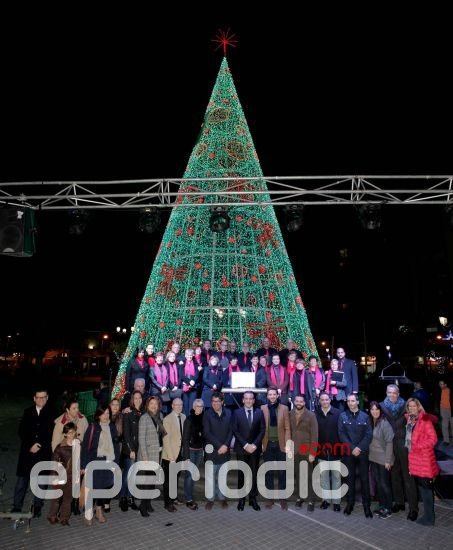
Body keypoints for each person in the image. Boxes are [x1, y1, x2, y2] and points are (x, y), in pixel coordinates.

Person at [12, 389, 54, 517]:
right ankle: (17, 506)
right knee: (22, 481)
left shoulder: (52, 412)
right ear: (34, 398)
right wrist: (30, 445)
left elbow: (52, 433)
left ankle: (37, 506)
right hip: (27, 452)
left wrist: (39, 445)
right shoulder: (27, 411)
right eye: (38, 397)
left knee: (41, 481)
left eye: (43, 397)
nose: (41, 399)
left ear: (47, 398)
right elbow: (21, 431)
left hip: (43, 453)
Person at [380, 384, 418, 520]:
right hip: (390, 445)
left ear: (398, 393)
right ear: (386, 393)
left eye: (394, 392)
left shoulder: (406, 405)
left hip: (404, 445)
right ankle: (399, 502)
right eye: (389, 392)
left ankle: (413, 508)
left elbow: (414, 421)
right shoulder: (381, 406)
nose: (392, 395)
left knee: (408, 477)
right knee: (394, 476)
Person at [81, 406, 120, 525]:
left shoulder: (112, 427)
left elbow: (116, 446)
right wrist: (84, 465)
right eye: (103, 413)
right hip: (95, 461)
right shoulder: (93, 427)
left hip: (109, 461)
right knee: (94, 487)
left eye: (107, 413)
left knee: (104, 487)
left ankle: (98, 510)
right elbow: (85, 447)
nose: (105, 416)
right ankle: (88, 513)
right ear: (98, 415)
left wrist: (116, 463)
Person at [405, 398, 440, 526]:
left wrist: (418, 446)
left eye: (414, 406)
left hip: (424, 460)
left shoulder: (425, 420)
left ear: (419, 407)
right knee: (422, 489)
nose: (412, 408)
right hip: (415, 461)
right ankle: (427, 515)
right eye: (409, 406)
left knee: (426, 491)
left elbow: (433, 439)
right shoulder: (410, 420)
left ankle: (429, 518)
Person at [338, 393, 373, 518]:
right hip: (349, 453)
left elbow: (369, 434)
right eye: (348, 401)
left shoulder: (365, 416)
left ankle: (366, 506)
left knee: (364, 480)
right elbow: (341, 434)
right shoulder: (342, 416)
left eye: (352, 401)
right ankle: (350, 504)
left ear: (357, 402)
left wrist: (359, 448)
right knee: (350, 479)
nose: (350, 403)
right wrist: (352, 448)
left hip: (362, 452)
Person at [232, 391, 266, 511]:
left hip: (254, 450)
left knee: (253, 474)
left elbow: (262, 429)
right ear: (243, 400)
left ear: (253, 400)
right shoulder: (237, 413)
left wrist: (255, 445)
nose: (248, 400)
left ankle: (252, 499)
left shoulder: (259, 412)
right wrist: (246, 445)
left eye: (250, 398)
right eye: (246, 398)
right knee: (241, 474)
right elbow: (235, 430)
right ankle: (241, 499)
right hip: (241, 448)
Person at [261, 387, 290, 510]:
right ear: (267, 396)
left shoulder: (284, 408)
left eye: (274, 394)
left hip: (281, 444)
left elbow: (287, 428)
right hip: (267, 444)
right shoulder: (263, 408)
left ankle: (283, 498)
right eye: (270, 394)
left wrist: (287, 444)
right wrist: (261, 443)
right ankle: (270, 498)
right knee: (269, 472)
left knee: (282, 472)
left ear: (277, 395)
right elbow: (260, 427)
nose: (272, 396)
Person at [203, 392, 233, 510]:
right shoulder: (207, 414)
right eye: (213, 401)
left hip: (225, 451)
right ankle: (210, 499)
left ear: (222, 402)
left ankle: (222, 498)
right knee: (210, 477)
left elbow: (231, 431)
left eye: (217, 401)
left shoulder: (229, 413)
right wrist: (220, 446)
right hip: (212, 451)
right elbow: (207, 433)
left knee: (222, 476)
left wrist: (225, 445)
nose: (215, 404)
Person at [137, 396, 166, 517]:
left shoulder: (160, 416)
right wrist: (145, 457)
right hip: (147, 455)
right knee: (147, 482)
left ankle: (148, 503)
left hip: (157, 453)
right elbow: (141, 439)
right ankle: (142, 506)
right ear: (147, 405)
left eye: (156, 404)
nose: (154, 406)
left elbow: (161, 435)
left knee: (152, 481)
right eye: (151, 404)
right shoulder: (144, 418)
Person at [289, 394, 318, 511]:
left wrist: (313, 453)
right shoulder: (289, 414)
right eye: (297, 401)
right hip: (294, 450)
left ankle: (311, 500)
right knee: (298, 475)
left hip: (307, 450)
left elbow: (315, 435)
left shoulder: (311, 415)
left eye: (301, 401)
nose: (299, 403)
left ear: (304, 403)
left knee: (309, 476)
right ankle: (300, 498)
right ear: (294, 402)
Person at [47, 422, 78, 525]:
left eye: (73, 432)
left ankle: (64, 517)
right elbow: (54, 463)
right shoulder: (60, 447)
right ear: (65, 434)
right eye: (69, 433)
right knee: (56, 498)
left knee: (68, 498)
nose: (71, 434)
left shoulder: (78, 445)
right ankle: (52, 515)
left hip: (72, 476)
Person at [315, 392, 342, 511]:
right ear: (319, 401)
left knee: (336, 477)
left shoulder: (338, 413)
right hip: (321, 450)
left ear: (330, 400)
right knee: (324, 477)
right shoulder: (315, 414)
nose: (325, 402)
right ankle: (325, 500)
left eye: (327, 399)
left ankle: (336, 502)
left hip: (336, 450)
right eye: (322, 400)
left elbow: (341, 432)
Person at [368, 401, 394, 518]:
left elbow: (389, 442)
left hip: (384, 458)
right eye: (372, 409)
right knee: (378, 483)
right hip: (373, 458)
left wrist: (388, 460)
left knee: (384, 484)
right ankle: (382, 506)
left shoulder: (384, 423)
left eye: (377, 409)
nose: (375, 412)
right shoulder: (371, 422)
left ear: (380, 410)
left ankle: (388, 508)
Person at [119, 390, 143, 512]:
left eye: (139, 398)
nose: (137, 400)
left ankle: (130, 498)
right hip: (130, 450)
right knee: (127, 475)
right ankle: (123, 498)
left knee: (133, 476)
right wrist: (131, 450)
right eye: (135, 398)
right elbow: (126, 434)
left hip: (139, 450)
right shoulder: (128, 413)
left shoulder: (143, 413)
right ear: (132, 400)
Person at [162, 398, 186, 512]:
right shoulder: (167, 419)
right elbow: (166, 439)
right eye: (176, 405)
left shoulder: (184, 417)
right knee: (168, 481)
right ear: (172, 406)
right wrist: (171, 458)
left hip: (179, 454)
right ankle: (168, 503)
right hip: (170, 455)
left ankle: (174, 498)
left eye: (181, 405)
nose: (179, 407)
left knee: (176, 478)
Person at [182, 398, 205, 510]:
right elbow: (185, 438)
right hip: (190, 451)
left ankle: (190, 496)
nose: (199, 408)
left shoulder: (204, 418)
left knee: (193, 475)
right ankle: (189, 499)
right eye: (197, 406)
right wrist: (186, 456)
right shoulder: (189, 419)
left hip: (199, 451)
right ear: (193, 407)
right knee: (189, 475)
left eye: (201, 406)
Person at [181, 348, 202, 416]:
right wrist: (189, 382)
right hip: (185, 386)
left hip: (193, 387)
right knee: (185, 405)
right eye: (188, 355)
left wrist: (193, 381)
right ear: (185, 355)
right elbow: (181, 375)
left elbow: (197, 374)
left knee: (192, 406)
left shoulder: (196, 363)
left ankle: (191, 420)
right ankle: (186, 420)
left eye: (191, 355)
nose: (189, 356)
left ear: (193, 355)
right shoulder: (182, 363)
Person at [439, 380, 452, 444]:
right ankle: (446, 440)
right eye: (440, 384)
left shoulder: (449, 390)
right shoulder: (439, 391)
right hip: (443, 409)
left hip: (450, 409)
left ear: (445, 384)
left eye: (442, 384)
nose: (440, 385)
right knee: (444, 425)